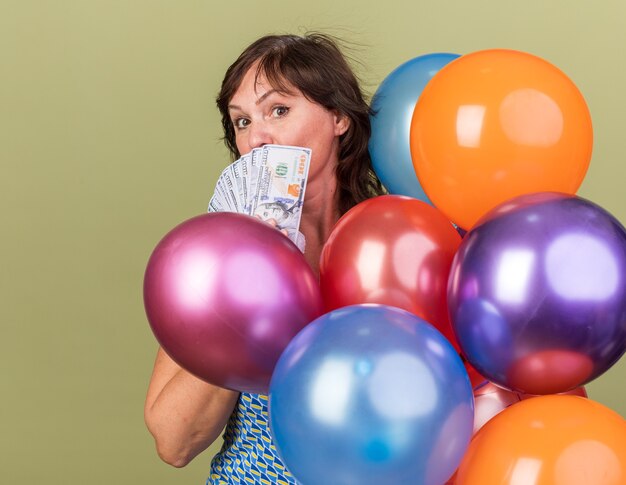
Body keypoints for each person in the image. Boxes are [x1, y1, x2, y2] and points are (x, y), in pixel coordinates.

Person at [144, 32, 385, 484]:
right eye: (240, 122)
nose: (257, 137)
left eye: (278, 110)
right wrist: (242, 298)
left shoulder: (395, 245)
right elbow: (173, 443)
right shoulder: (213, 262)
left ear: (338, 117)